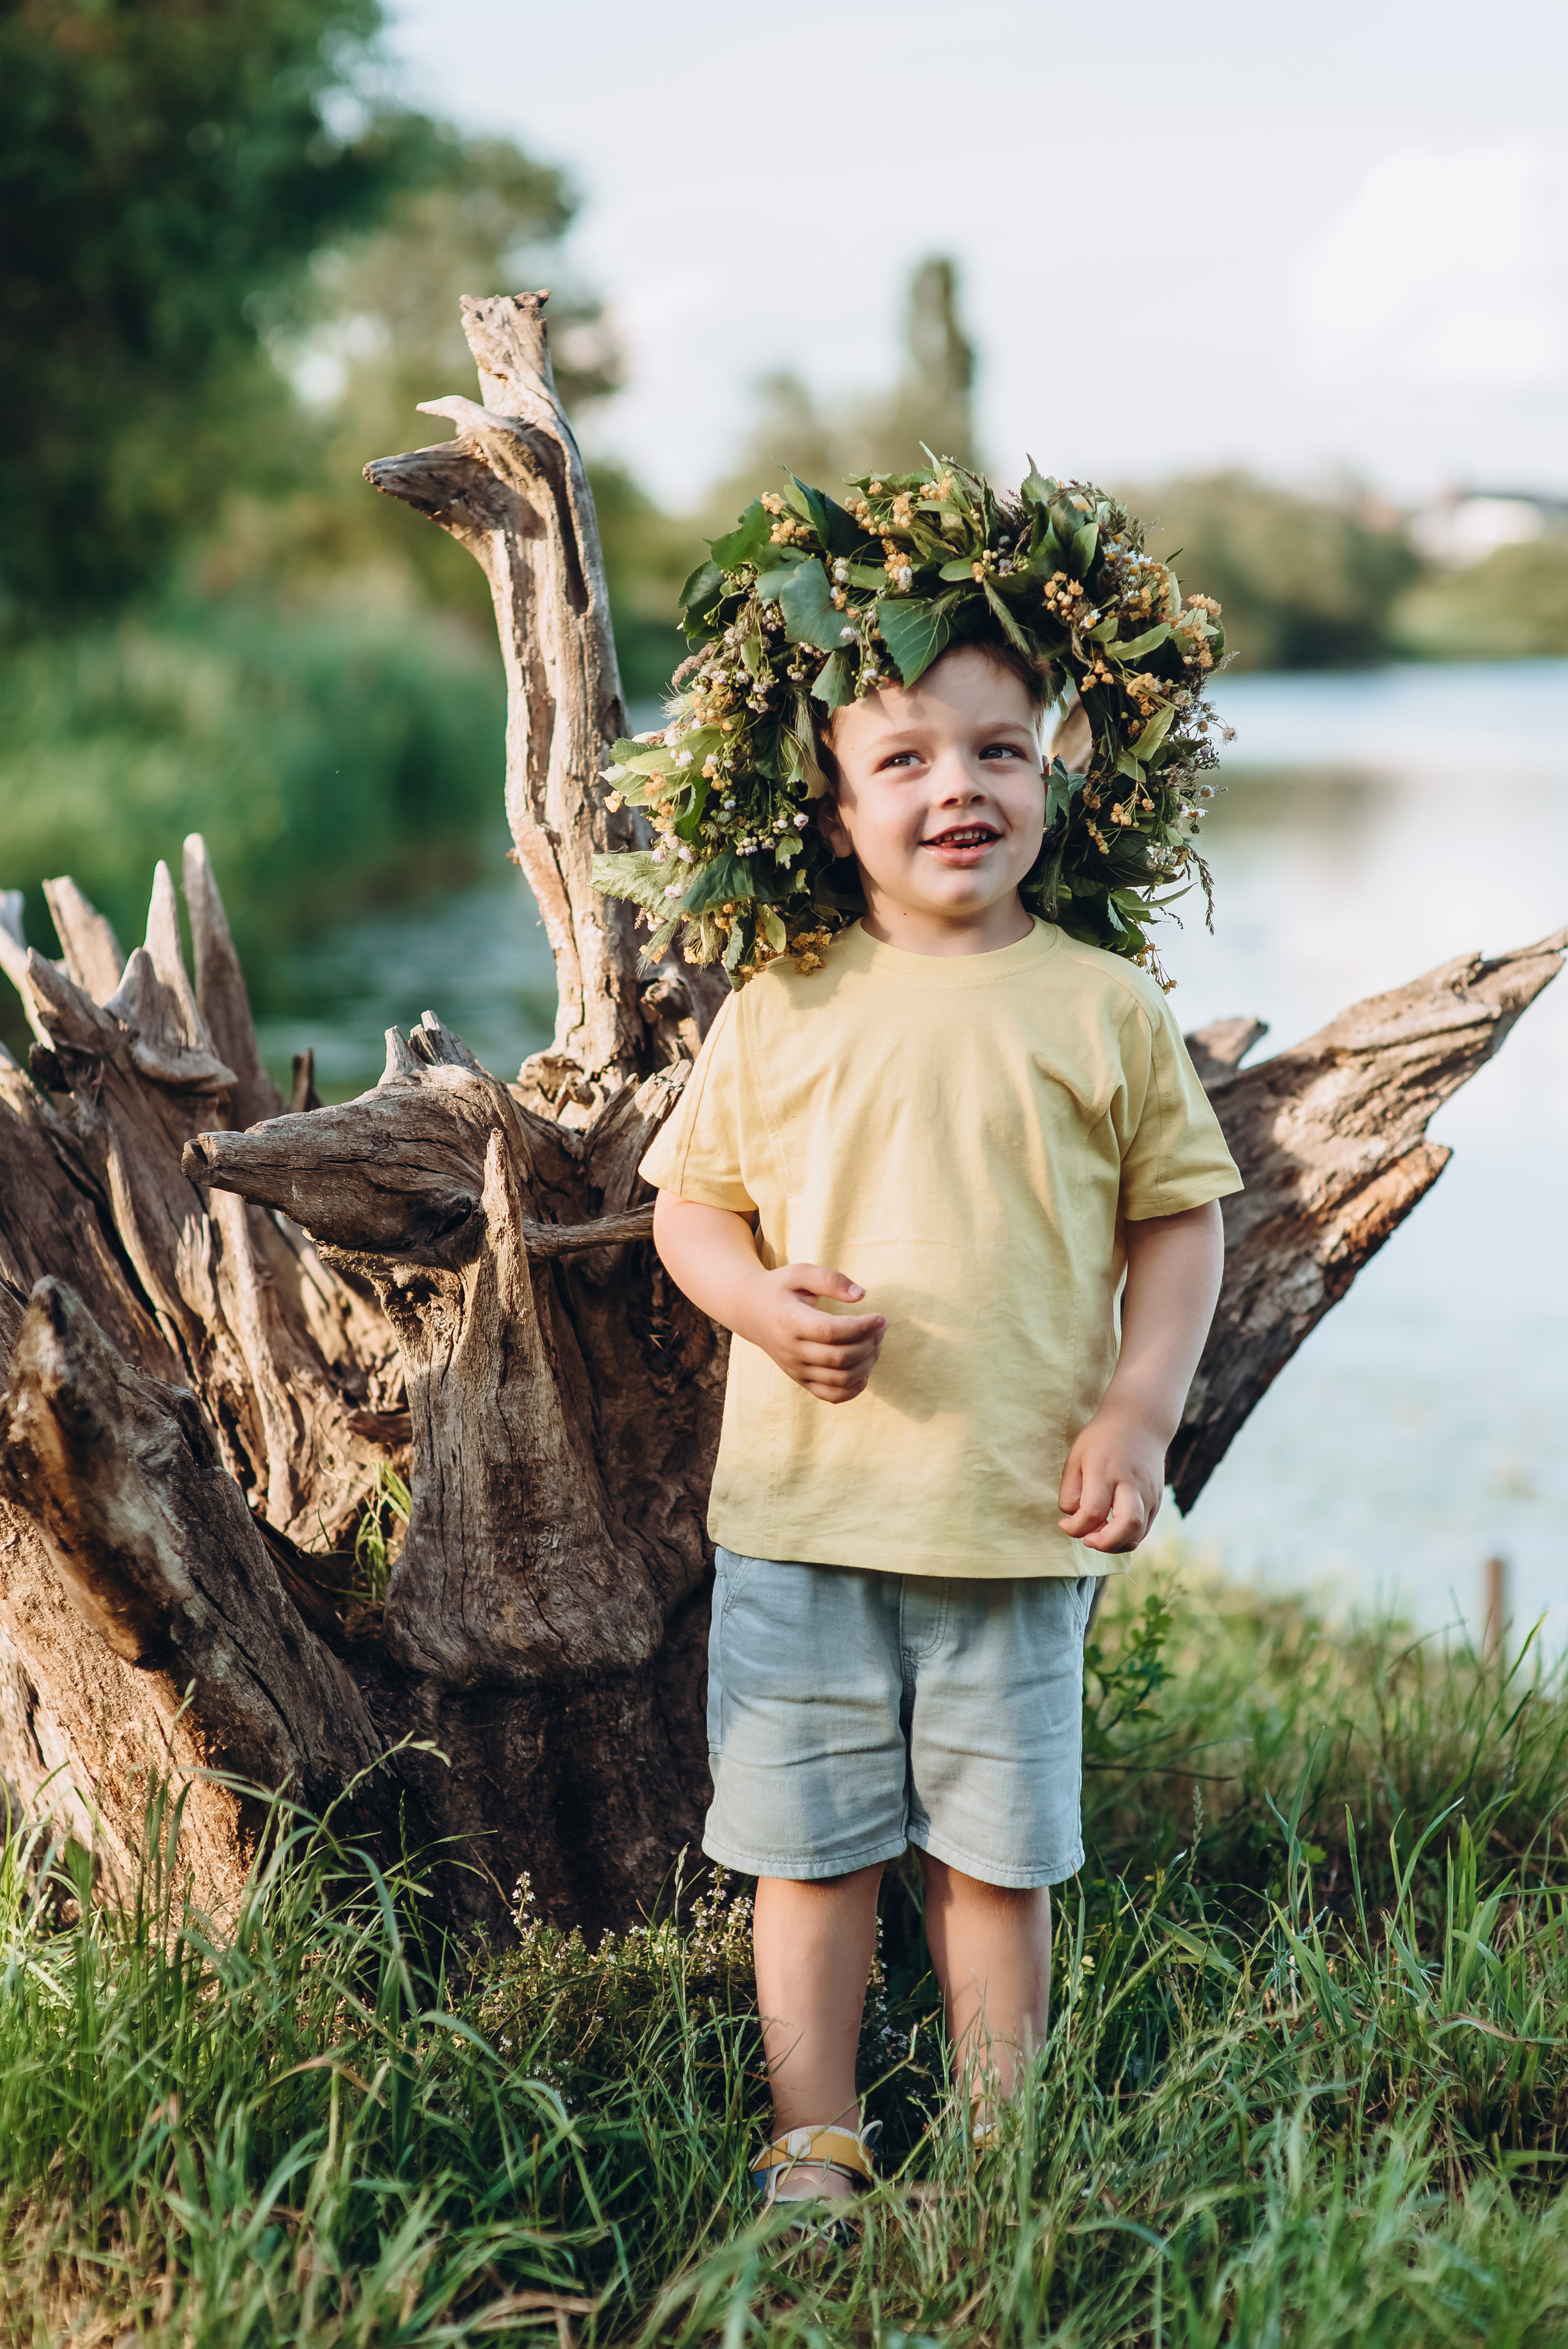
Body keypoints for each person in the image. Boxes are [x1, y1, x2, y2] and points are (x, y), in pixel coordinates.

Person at [624, 468, 1242, 2221]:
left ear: (1053, 780)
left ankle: (993, 2144)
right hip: (810, 1510)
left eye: (1000, 751)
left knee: (994, 1857)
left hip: (1007, 1514)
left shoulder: (1103, 1002)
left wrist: (1140, 1404)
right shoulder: (784, 997)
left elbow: (1180, 1217)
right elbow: (694, 1207)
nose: (957, 786)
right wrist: (757, 1303)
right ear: (827, 808)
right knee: (809, 1853)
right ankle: (814, 2134)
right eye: (904, 758)